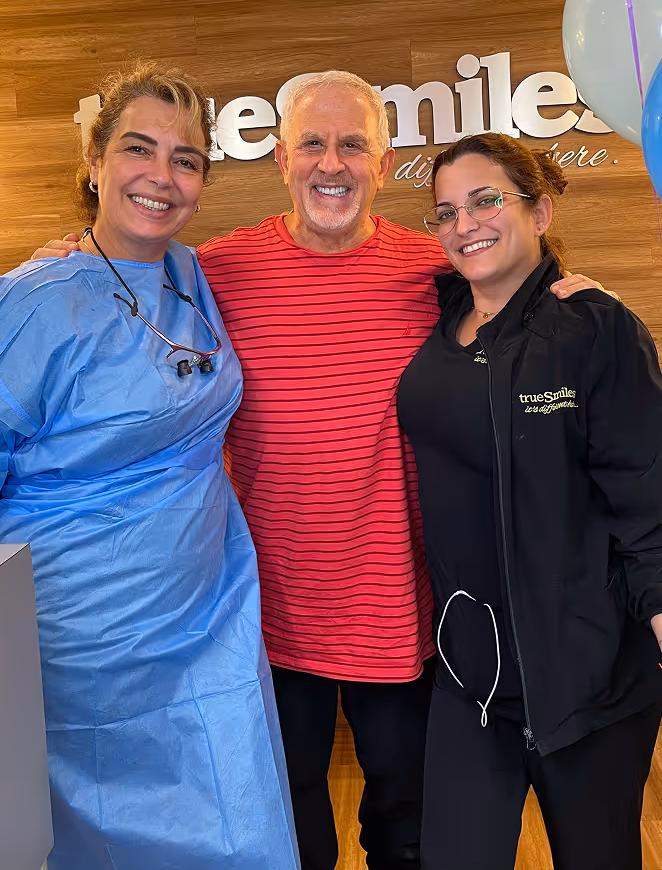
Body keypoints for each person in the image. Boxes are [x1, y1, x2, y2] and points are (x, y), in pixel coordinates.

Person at [29, 71, 612, 870]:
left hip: (402, 616)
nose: (329, 163)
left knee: (403, 828)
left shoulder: (431, 269)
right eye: (311, 142)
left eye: (351, 145)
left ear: (382, 159)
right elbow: (118, 276)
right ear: (279, 158)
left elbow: (516, 294)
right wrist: (68, 257)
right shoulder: (214, 273)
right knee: (290, 824)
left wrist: (575, 294)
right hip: (263, 616)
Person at [0, 63, 298, 870]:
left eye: (187, 159)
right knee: (93, 835)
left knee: (240, 825)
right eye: (140, 149)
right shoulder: (33, 300)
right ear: (94, 162)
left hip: (208, 614)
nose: (162, 177)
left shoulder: (191, 275)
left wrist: (543, 283)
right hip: (85, 641)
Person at [397, 132, 662, 870]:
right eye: (445, 211)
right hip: (470, 673)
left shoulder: (592, 326)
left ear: (541, 210)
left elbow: (647, 491)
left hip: (586, 678)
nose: (465, 223)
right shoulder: (436, 309)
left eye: (487, 200)